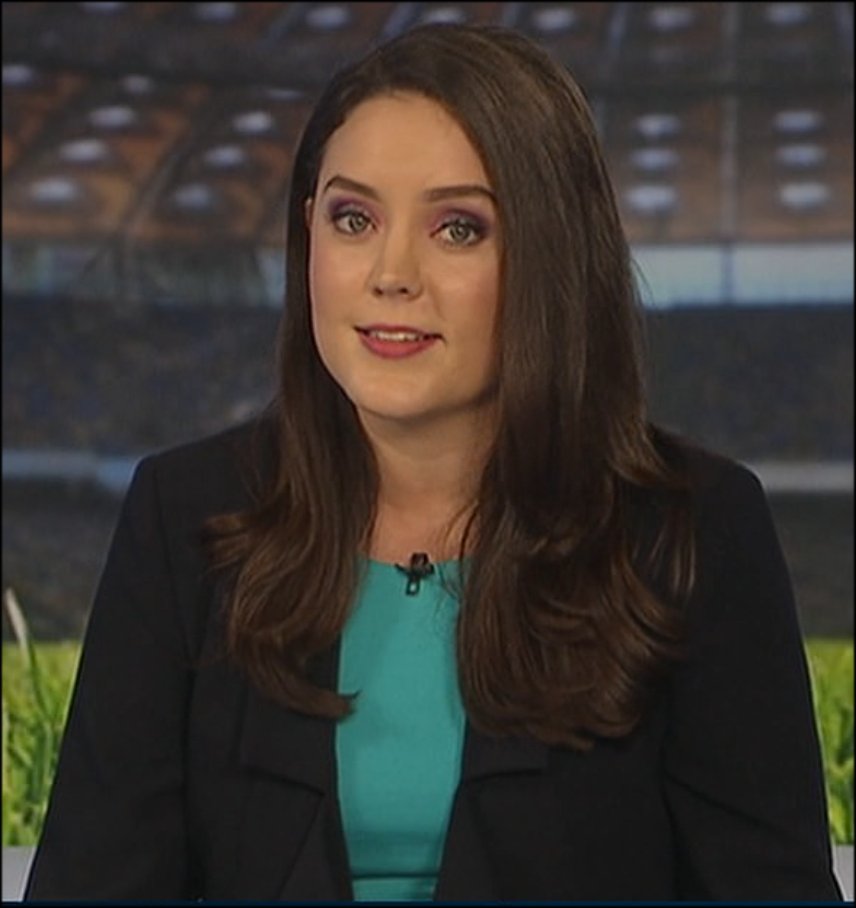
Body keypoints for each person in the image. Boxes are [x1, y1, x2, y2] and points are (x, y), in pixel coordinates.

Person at [24, 23, 842, 903]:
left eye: (458, 228)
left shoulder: (695, 531)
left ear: (551, 255)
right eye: (353, 219)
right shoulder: (183, 515)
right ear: (308, 234)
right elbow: (92, 884)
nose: (391, 274)